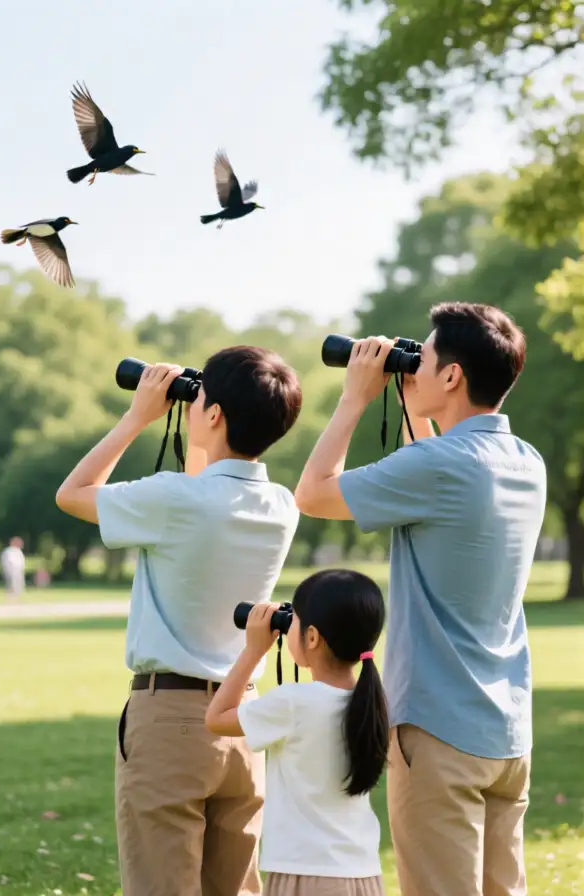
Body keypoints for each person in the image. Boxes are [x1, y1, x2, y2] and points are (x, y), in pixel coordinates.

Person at [295, 303, 547, 896]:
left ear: (454, 377)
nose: (419, 366)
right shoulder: (525, 462)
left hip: (438, 728)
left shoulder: (437, 465)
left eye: (426, 358)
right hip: (506, 729)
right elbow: (437, 479)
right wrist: (413, 402)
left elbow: (312, 493)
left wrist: (356, 396)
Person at [56, 345, 303, 896]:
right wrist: (201, 425)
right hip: (240, 722)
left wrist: (137, 416)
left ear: (213, 414)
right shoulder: (282, 505)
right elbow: (207, 486)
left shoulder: (175, 499)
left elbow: (71, 495)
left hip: (168, 720)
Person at [206, 568, 388, 896]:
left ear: (313, 637)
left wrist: (253, 650)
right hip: (363, 874)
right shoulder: (373, 703)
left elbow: (217, 717)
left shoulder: (293, 703)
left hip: (305, 873)